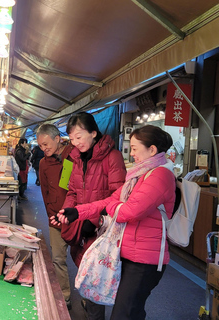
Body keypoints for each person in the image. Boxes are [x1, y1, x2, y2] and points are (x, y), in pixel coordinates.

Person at [54, 125, 176, 320]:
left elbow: (129, 212)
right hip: (126, 253)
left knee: (124, 313)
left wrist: (114, 207)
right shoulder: (138, 175)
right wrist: (77, 212)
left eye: (135, 148)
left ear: (152, 150)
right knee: (130, 310)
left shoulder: (160, 175)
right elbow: (111, 200)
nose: (132, 153)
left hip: (145, 260)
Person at [58, 112, 126, 318]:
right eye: (71, 139)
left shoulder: (112, 157)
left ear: (94, 133)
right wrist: (67, 214)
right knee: (85, 273)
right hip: (81, 227)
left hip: (102, 231)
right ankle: (89, 306)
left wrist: (94, 219)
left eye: (79, 137)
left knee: (96, 281)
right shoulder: (75, 159)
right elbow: (71, 191)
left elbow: (119, 194)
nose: (75, 143)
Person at [36, 124, 75, 309]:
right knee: (58, 259)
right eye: (41, 146)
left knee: (83, 260)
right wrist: (51, 215)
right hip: (56, 219)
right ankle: (64, 296)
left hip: (77, 218)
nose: (44, 149)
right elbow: (44, 191)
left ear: (57, 138)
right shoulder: (44, 163)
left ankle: (89, 299)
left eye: (46, 144)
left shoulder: (75, 156)